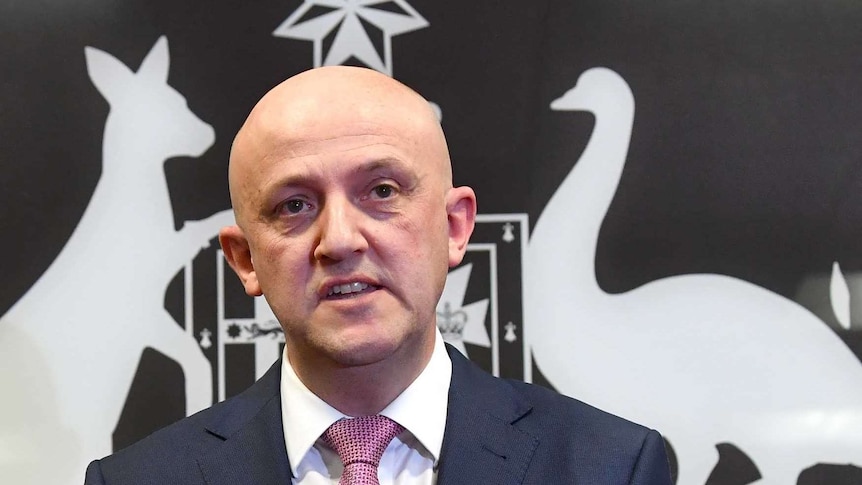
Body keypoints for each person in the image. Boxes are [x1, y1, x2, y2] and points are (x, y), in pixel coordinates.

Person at [84, 66, 672, 484]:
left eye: (382, 191)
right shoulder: (138, 480)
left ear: (455, 227)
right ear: (244, 259)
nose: (339, 240)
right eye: (294, 205)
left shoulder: (613, 468)